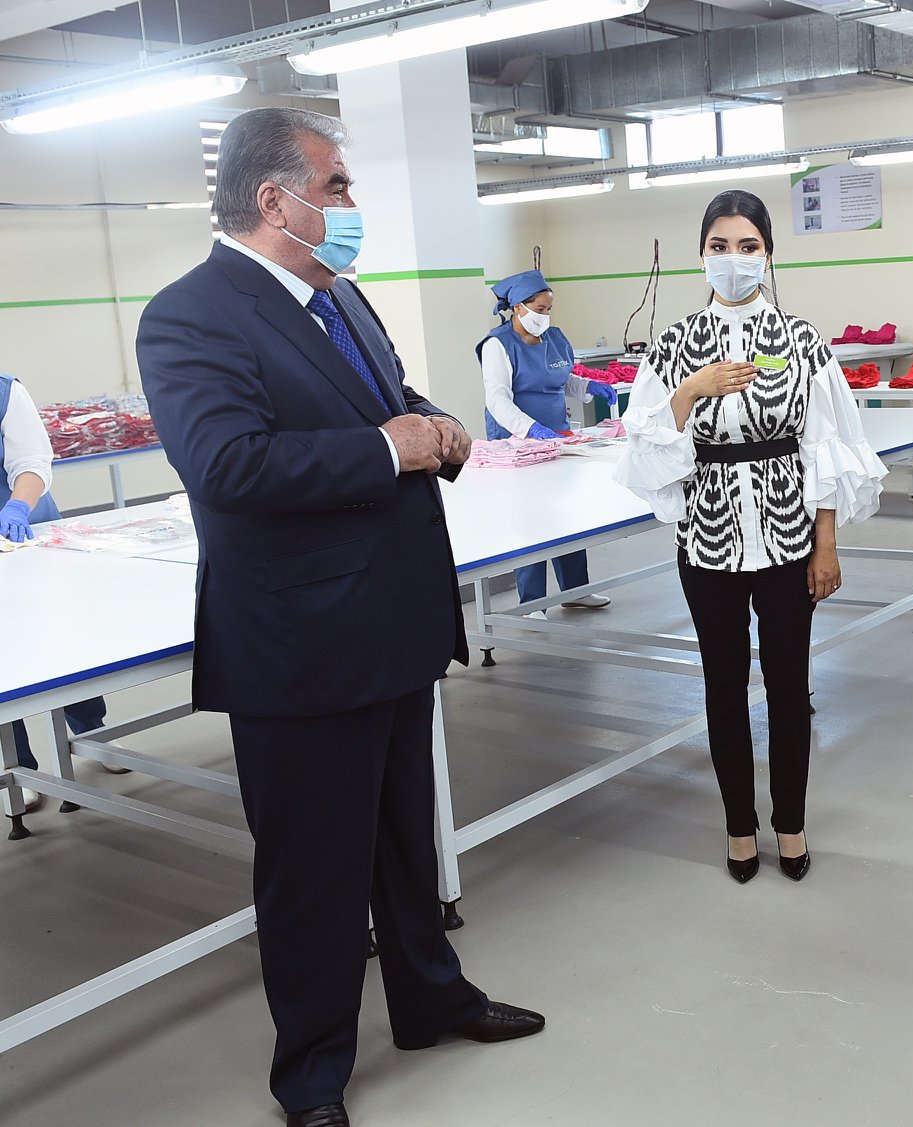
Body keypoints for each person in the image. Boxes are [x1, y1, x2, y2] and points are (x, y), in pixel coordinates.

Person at [135, 107, 542, 1127]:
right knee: (313, 870)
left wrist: (433, 423)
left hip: (392, 618)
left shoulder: (341, 296)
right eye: (339, 186)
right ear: (274, 200)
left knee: (408, 840)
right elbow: (227, 464)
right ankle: (312, 1069)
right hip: (300, 643)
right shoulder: (191, 315)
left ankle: (430, 999)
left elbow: (382, 397)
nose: (352, 203)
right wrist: (390, 447)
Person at [614, 189, 886, 884]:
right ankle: (739, 825)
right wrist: (690, 390)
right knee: (723, 684)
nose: (732, 259)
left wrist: (827, 544)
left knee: (790, 686)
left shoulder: (801, 339)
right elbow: (643, 445)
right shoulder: (673, 343)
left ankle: (790, 822)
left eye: (747, 246)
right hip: (707, 539)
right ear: (701, 254)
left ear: (767, 254)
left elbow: (826, 444)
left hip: (789, 535)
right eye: (719, 246)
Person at [1, 373, 112, 813]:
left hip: (25, 529)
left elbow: (31, 461)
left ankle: (93, 732)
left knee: (61, 637)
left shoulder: (5, 391)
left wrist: (16, 506)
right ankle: (18, 766)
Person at [479, 269, 616, 613]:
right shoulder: (498, 344)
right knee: (531, 521)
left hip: (558, 438)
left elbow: (560, 378)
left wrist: (587, 387)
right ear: (518, 308)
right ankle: (532, 603)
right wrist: (532, 430)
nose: (544, 316)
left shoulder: (553, 337)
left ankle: (575, 590)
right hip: (518, 444)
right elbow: (497, 400)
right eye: (539, 309)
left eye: (548, 309)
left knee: (567, 513)